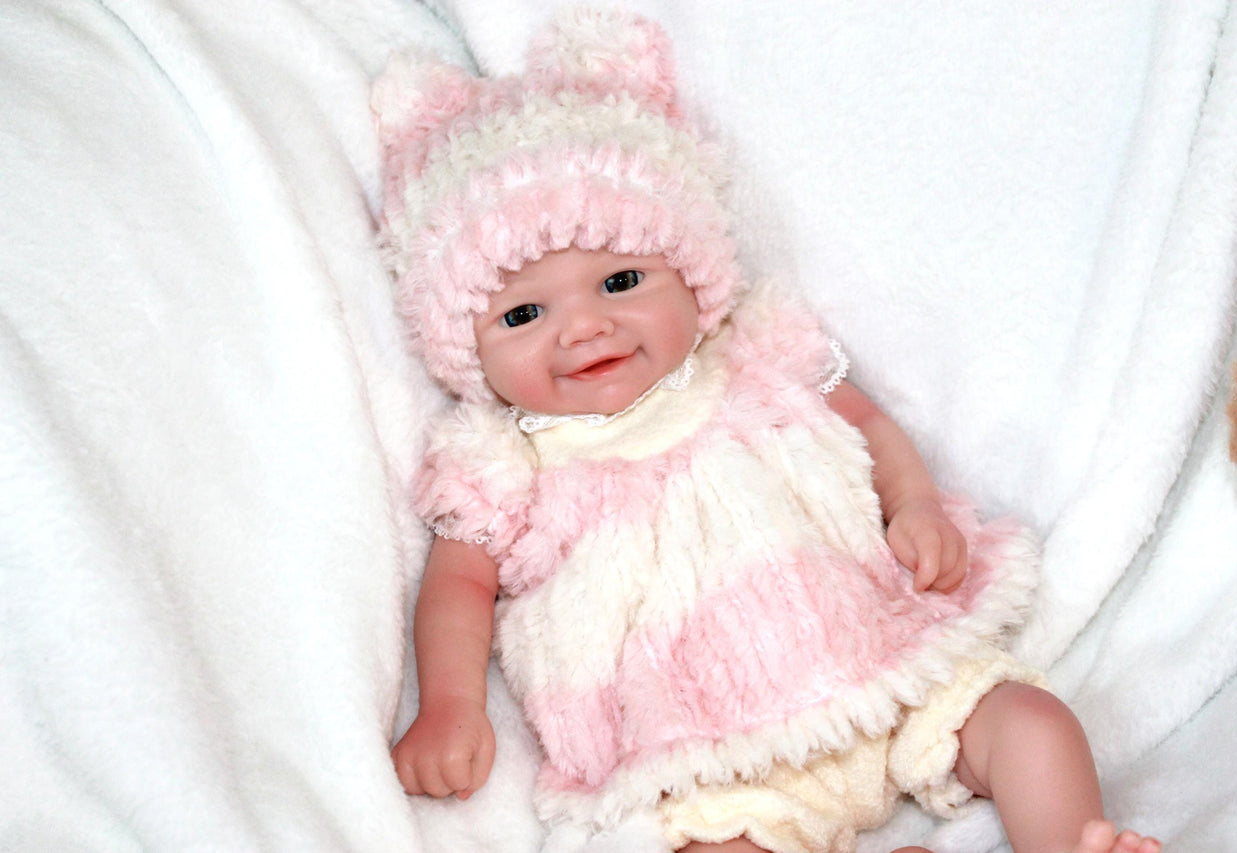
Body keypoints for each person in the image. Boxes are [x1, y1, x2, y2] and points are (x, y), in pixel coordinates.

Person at [372, 8, 1162, 853]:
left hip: (884, 659)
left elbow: (865, 420)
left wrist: (915, 503)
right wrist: (449, 703)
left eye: (622, 279)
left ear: (693, 271)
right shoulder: (506, 460)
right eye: (524, 313)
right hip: (708, 751)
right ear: (466, 348)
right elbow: (459, 584)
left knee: (1032, 720)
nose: (585, 328)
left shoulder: (754, 352)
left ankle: (1072, 842)